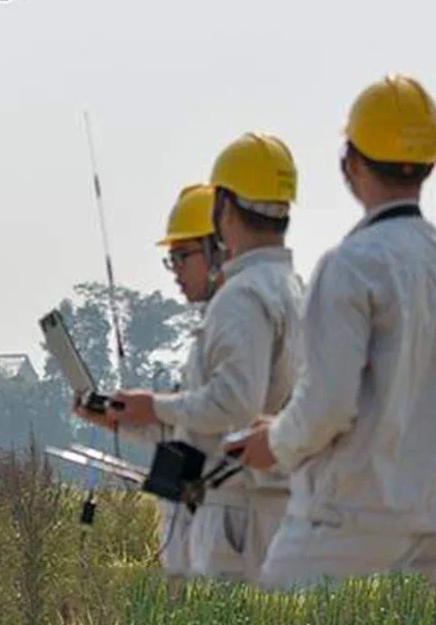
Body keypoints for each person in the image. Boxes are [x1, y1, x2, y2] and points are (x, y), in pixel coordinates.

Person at [230, 75, 436, 594]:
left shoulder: (351, 266)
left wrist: (271, 440)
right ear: (431, 164)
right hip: (434, 526)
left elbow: (328, 407)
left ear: (351, 164)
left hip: (346, 529)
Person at [78, 134, 303, 583]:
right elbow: (214, 419)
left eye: (181, 256)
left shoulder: (244, 297)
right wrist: (135, 418)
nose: (175, 271)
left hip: (235, 516)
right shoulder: (290, 287)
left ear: (223, 214)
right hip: (259, 508)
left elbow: (234, 407)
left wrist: (155, 406)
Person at [151, 183, 222, 582]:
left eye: (182, 256)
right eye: (170, 259)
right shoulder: (211, 330)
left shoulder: (241, 328)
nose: (175, 270)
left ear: (216, 250)